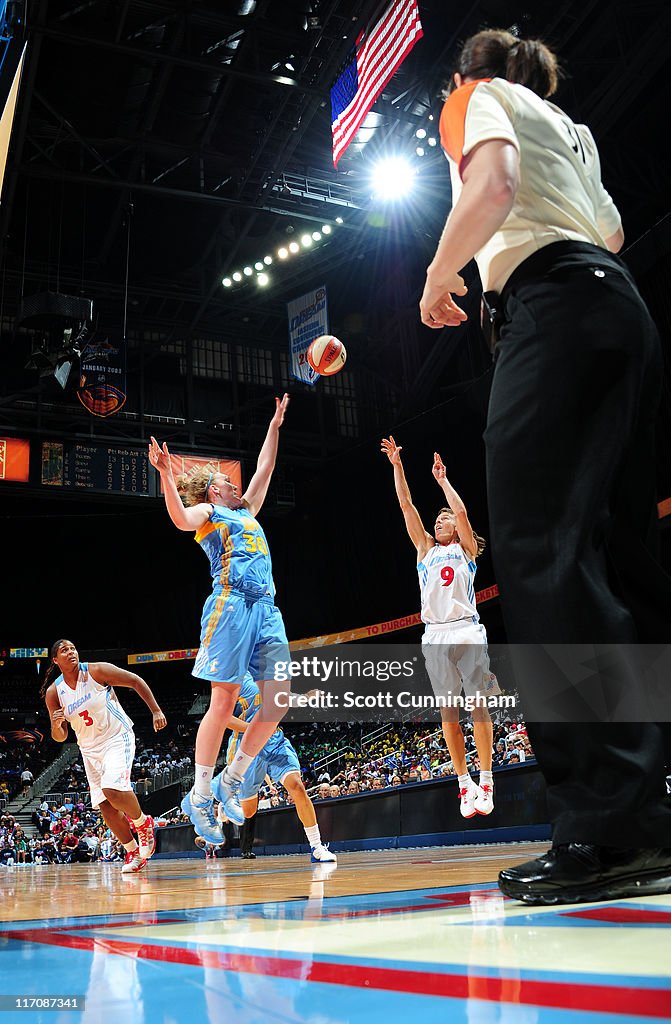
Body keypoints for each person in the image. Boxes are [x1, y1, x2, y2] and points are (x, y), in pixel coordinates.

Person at [420, 28, 671, 903]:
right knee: (619, 561)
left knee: (541, 559)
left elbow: (491, 185)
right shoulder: (571, 127)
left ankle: (603, 830)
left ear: (466, 76)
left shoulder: (472, 98)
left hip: (553, 307)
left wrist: (438, 275)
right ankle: (647, 811)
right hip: (620, 310)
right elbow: (610, 225)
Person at [149, 395, 293, 845]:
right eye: (226, 481)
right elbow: (178, 518)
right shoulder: (210, 514)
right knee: (224, 700)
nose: (235, 482)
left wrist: (274, 424)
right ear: (214, 491)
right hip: (230, 605)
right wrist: (165, 477)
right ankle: (200, 791)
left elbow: (265, 468)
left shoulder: (245, 510)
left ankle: (233, 779)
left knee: (280, 699)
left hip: (266, 607)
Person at [382, 437, 499, 817]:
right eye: (438, 518)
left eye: (443, 516)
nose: (440, 519)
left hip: (466, 629)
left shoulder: (465, 549)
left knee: (477, 704)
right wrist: (398, 466)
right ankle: (464, 785)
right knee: (448, 712)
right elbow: (405, 506)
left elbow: (463, 515)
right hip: (434, 634)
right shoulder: (425, 550)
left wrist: (443, 480)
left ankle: (487, 780)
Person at [42, 639, 167, 874]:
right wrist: (56, 725)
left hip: (116, 737)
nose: (71, 652)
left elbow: (135, 681)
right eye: (64, 650)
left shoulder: (97, 671)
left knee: (112, 789)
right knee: (105, 807)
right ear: (55, 660)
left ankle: (143, 823)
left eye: (73, 648)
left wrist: (156, 710)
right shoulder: (53, 693)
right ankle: (132, 851)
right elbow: (59, 737)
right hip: (89, 750)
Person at [211, 674, 336, 863]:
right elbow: (222, 718)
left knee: (297, 786)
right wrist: (254, 728)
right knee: (249, 812)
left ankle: (317, 847)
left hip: (274, 742)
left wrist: (307, 697)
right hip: (246, 747)